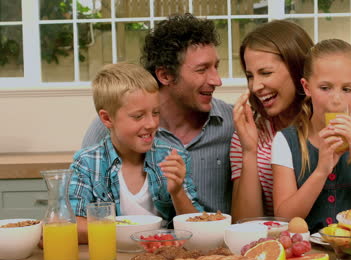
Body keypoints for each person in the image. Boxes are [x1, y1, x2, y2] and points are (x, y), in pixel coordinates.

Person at [81, 14, 234, 213]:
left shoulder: (234, 123)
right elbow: (83, 205)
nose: (217, 80)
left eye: (216, 67)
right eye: (202, 69)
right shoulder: (109, 127)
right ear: (165, 75)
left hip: (215, 241)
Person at [270, 39, 351, 233]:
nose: (337, 100)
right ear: (306, 87)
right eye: (325, 88)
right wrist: (321, 171)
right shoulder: (285, 141)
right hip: (310, 256)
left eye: (347, 89)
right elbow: (284, 218)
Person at [69, 63, 203, 243]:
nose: (151, 124)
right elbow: (71, 224)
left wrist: (178, 192)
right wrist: (129, 234)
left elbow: (197, 227)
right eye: (138, 116)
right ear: (107, 118)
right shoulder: (87, 163)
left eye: (155, 113)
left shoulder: (172, 156)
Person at [229, 20, 314, 222]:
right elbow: (245, 225)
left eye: (266, 73)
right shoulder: (248, 134)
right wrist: (249, 151)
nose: (256, 86)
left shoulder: (338, 124)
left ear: (298, 69)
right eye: (250, 75)